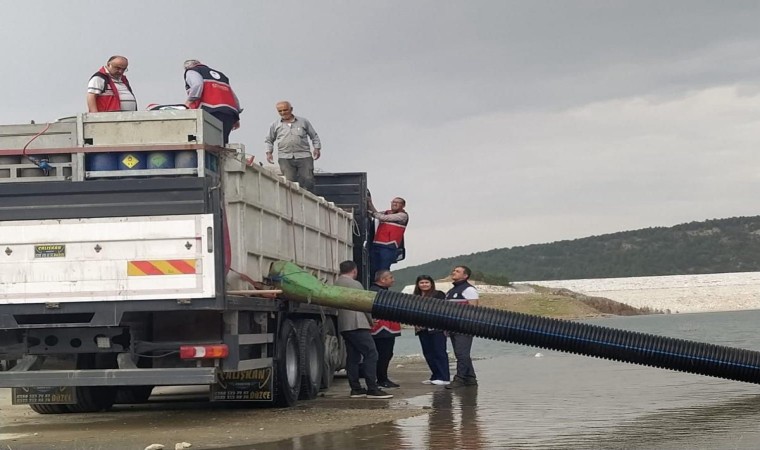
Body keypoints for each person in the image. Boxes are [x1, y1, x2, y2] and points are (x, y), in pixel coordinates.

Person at [334, 260, 393, 399]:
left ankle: (356, 388)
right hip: (357, 323)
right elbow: (363, 304)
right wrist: (371, 321)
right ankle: (372, 388)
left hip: (344, 325)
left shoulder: (336, 283)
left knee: (353, 357)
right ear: (354, 270)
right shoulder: (355, 284)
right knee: (371, 353)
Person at [265, 101, 321, 191]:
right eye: (280, 111)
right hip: (285, 157)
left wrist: (317, 148)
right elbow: (269, 140)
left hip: (304, 156)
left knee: (308, 180)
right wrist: (269, 153)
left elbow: (314, 136)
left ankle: (308, 198)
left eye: (285, 110)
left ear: (291, 109)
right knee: (289, 182)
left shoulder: (303, 122)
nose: (283, 113)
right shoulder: (274, 125)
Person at [183, 60, 242, 145]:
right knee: (221, 144)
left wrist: (189, 100)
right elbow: (233, 97)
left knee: (205, 142)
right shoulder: (222, 76)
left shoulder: (192, 71)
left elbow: (197, 85)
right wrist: (236, 116)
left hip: (210, 110)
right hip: (229, 113)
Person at [445, 265, 479, 389]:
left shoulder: (469, 290)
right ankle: (470, 379)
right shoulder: (451, 291)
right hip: (452, 327)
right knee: (461, 354)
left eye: (457, 271)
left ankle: (459, 379)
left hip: (464, 327)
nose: (454, 272)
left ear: (465, 276)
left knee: (461, 354)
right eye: (454, 270)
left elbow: (473, 310)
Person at [413, 275, 450, 386]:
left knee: (439, 352)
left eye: (426, 282)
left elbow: (442, 309)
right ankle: (435, 376)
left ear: (431, 284)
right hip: (422, 329)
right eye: (422, 283)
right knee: (428, 353)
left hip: (437, 328)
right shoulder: (415, 297)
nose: (424, 284)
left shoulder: (439, 294)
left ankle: (444, 377)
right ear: (418, 284)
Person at [369, 270, 402, 388]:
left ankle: (381, 378)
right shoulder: (377, 292)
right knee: (383, 354)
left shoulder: (379, 291)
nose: (393, 280)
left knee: (386, 354)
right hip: (381, 329)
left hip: (385, 329)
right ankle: (381, 379)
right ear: (383, 280)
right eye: (391, 277)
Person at [367, 196, 409, 276]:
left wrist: (371, 213)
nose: (394, 204)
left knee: (383, 269)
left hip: (389, 246)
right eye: (393, 202)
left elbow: (382, 218)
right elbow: (377, 214)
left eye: (397, 202)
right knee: (372, 269)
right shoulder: (386, 212)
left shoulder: (403, 216)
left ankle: (383, 283)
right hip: (377, 244)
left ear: (403, 206)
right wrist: (370, 203)